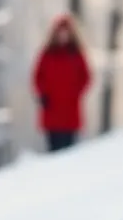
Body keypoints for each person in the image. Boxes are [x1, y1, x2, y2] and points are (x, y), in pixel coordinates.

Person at [32, 13, 93, 153]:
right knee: (53, 149)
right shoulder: (47, 54)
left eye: (65, 32)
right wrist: (42, 94)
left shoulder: (76, 54)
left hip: (70, 111)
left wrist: (76, 92)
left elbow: (86, 77)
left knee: (69, 150)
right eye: (60, 32)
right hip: (52, 110)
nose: (63, 36)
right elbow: (37, 77)